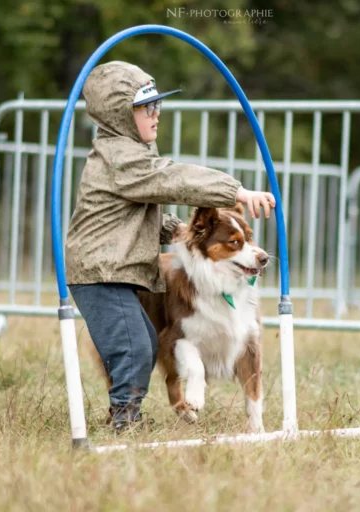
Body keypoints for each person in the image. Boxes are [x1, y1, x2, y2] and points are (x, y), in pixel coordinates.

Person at [64, 61, 275, 432]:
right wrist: (234, 191)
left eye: (158, 106)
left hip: (117, 268)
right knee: (133, 347)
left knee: (143, 341)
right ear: (120, 114)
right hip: (99, 272)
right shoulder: (121, 158)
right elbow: (172, 178)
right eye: (147, 108)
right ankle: (125, 423)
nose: (156, 114)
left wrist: (178, 230)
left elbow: (132, 217)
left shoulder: (131, 154)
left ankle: (124, 413)